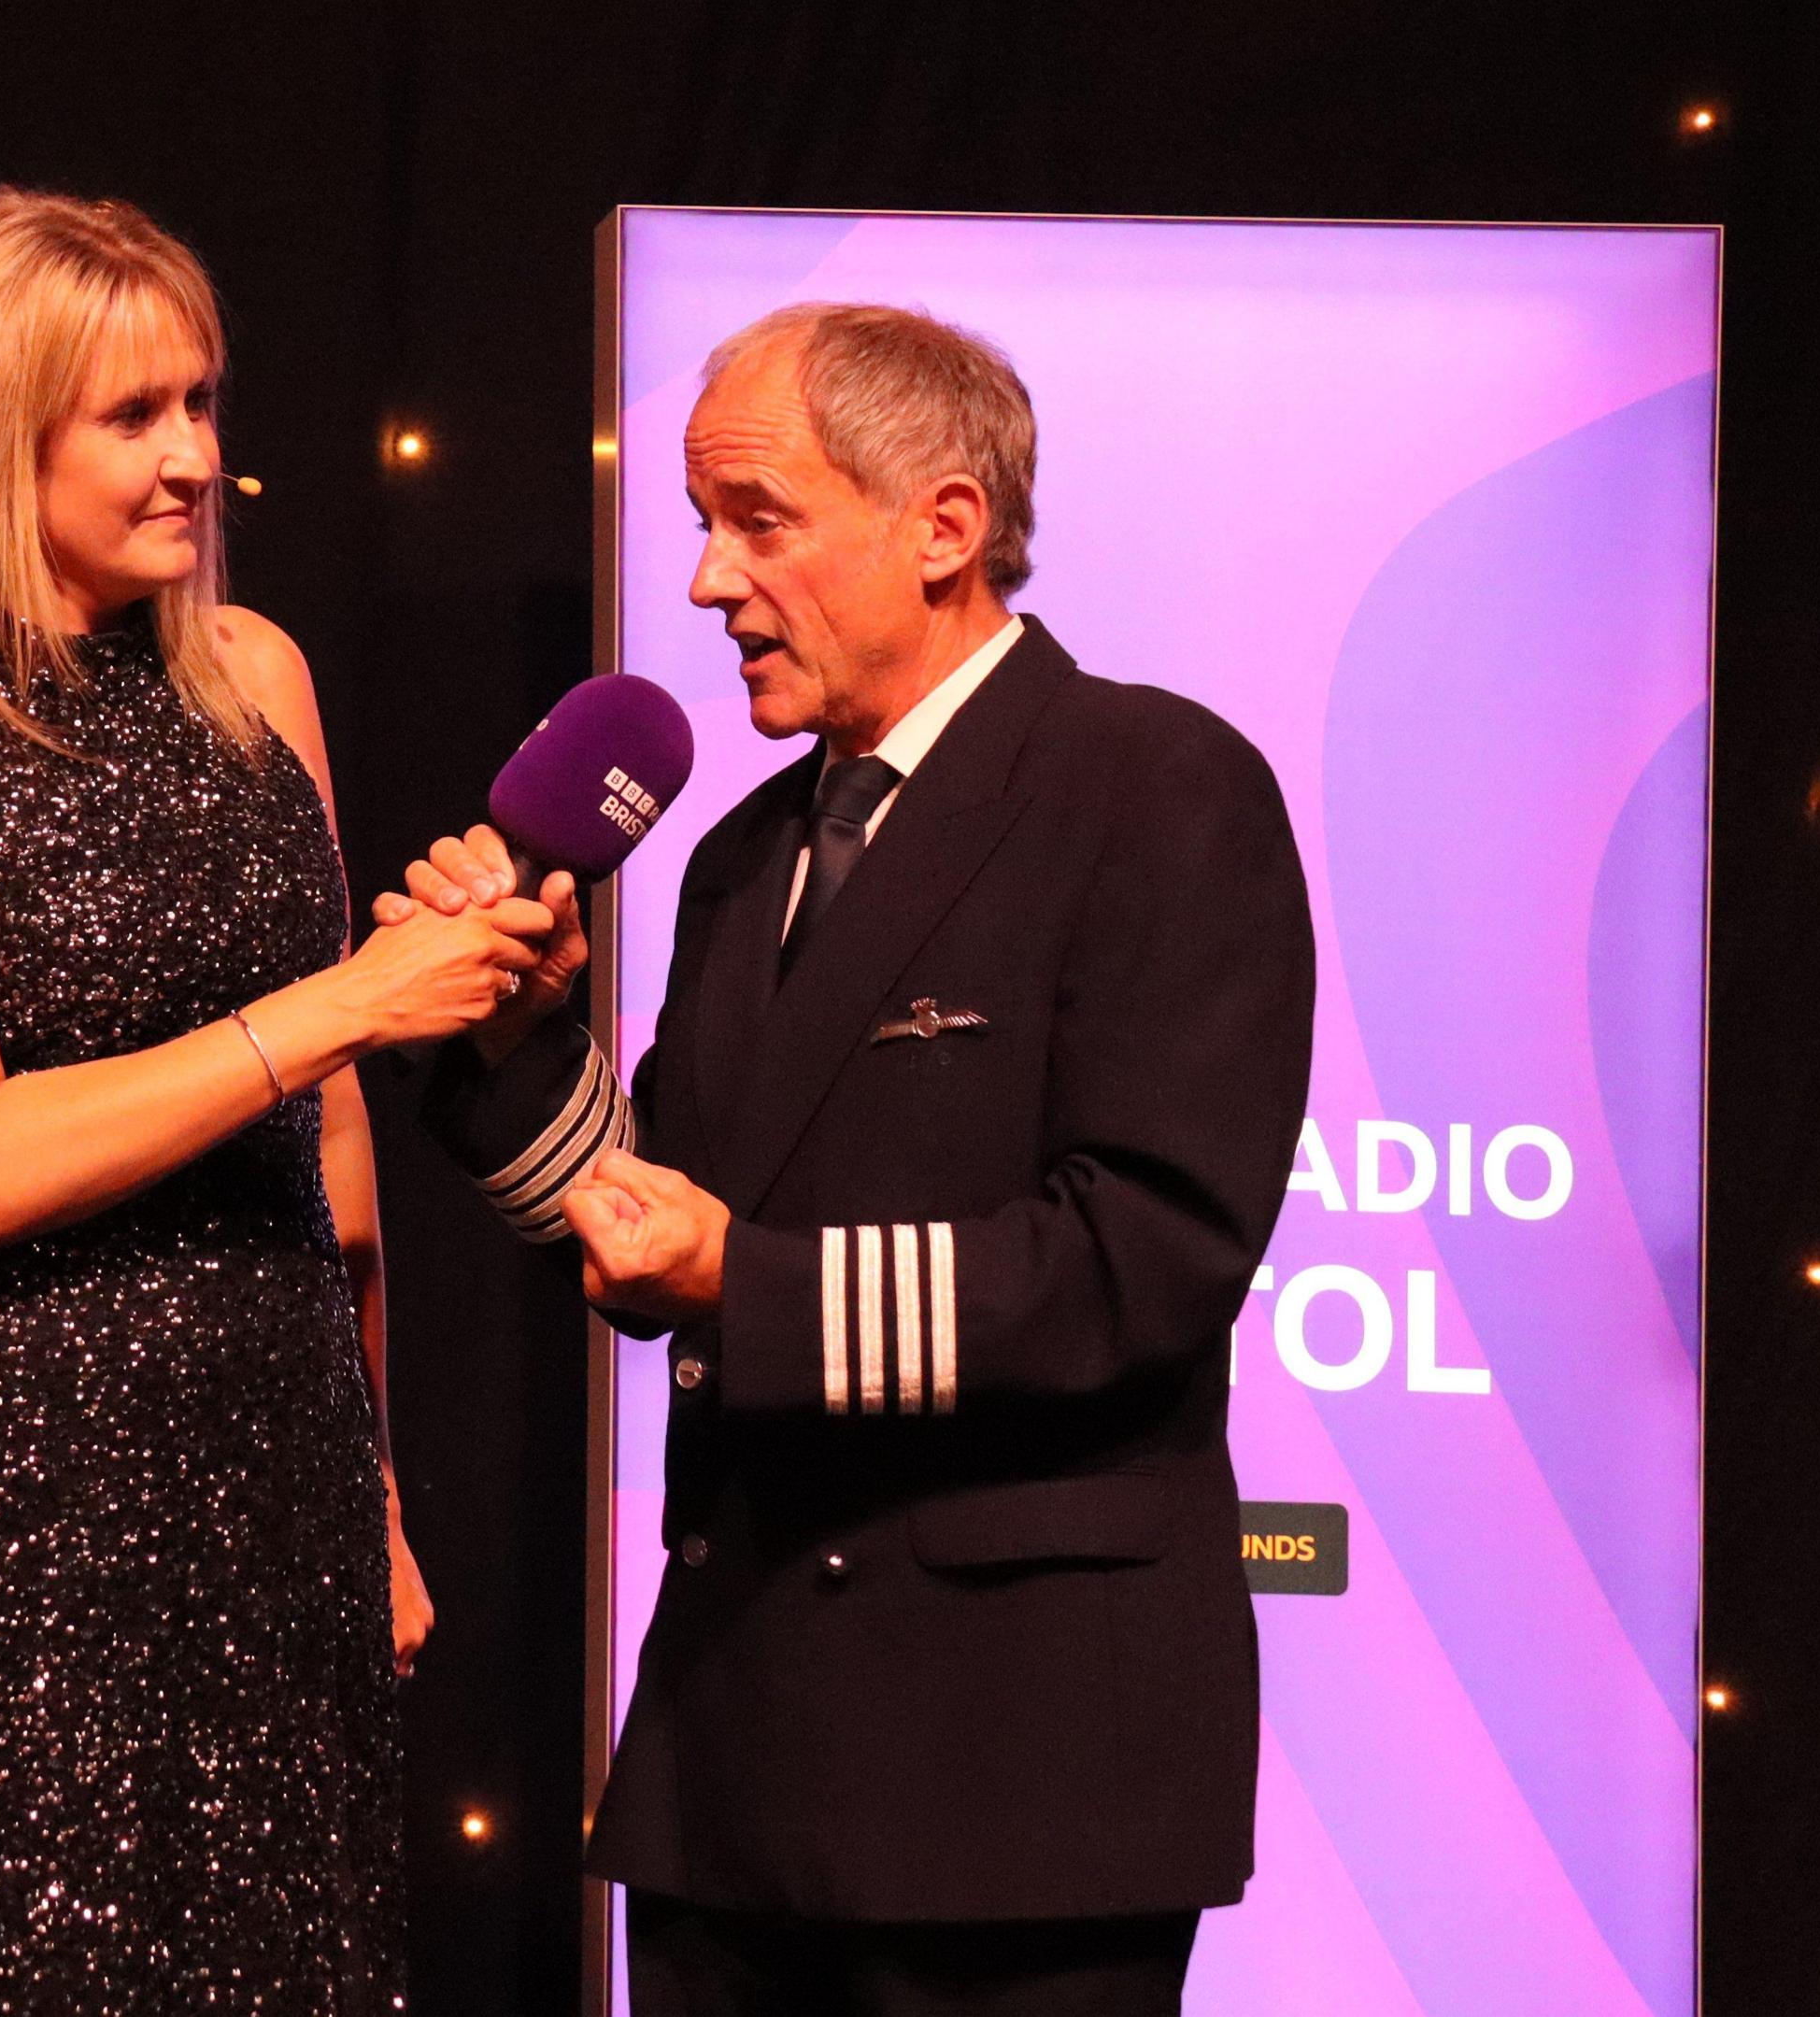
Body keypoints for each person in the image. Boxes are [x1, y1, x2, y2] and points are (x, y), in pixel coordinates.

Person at [389, 303, 1316, 2014]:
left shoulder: (1156, 787)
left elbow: (1147, 1260)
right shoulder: (748, 855)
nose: (704, 584)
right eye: (698, 523)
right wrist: (511, 1036)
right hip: (732, 1781)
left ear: (943, 528)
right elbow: (648, 1221)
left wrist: (744, 1281)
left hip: (1022, 1792)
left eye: (758, 518)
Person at [0, 188, 549, 2013]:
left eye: (202, 402)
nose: (196, 457)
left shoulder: (254, 675)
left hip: (274, 1483)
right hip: (12, 1515)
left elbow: (335, 1156)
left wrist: (372, 1491)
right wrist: (342, 1004)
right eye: (135, 415)